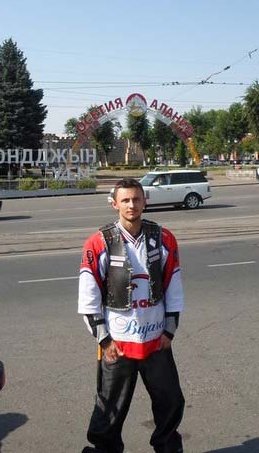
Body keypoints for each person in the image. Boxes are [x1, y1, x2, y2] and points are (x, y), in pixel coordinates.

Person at [78, 178, 185, 453]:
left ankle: (168, 449)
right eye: (125, 200)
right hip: (118, 345)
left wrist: (169, 331)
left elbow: (173, 286)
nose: (131, 205)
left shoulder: (164, 238)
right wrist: (104, 340)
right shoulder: (98, 242)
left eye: (136, 199)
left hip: (156, 342)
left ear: (145, 201)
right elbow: (88, 298)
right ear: (114, 204)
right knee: (108, 413)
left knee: (171, 403)